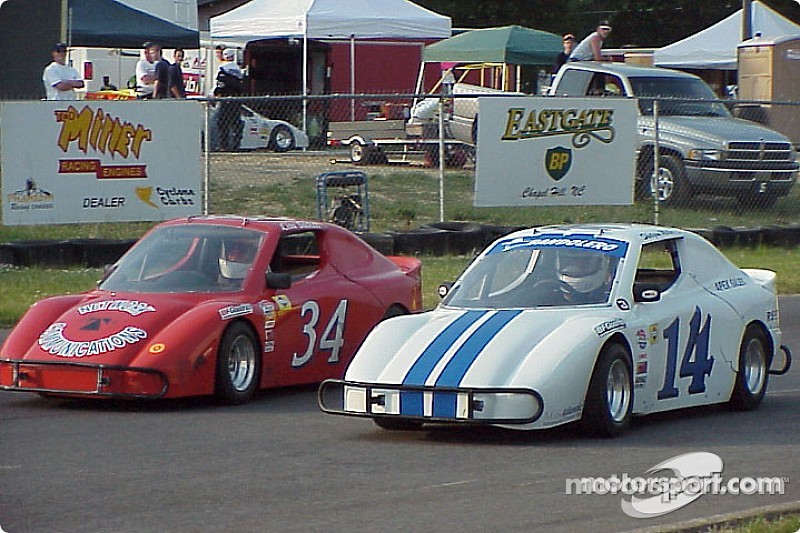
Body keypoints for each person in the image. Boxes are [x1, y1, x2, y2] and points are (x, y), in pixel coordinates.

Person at [214, 47, 244, 151]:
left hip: (224, 99)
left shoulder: (223, 68)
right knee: (235, 122)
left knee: (222, 122)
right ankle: (236, 145)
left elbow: (218, 84)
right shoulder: (237, 69)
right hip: (236, 100)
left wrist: (214, 94)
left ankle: (223, 145)